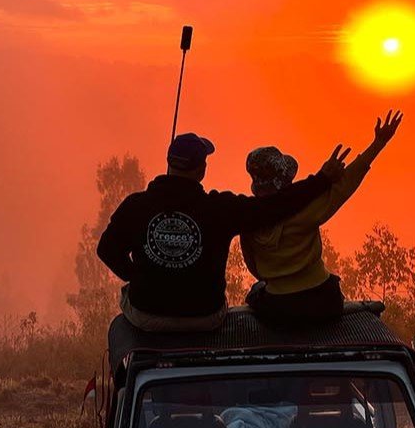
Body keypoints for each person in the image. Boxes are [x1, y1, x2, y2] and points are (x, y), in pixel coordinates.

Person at [97, 132, 350, 334]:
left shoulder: (135, 206)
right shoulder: (220, 209)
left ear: (169, 164)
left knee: (128, 297)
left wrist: (139, 278)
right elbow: (274, 207)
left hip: (146, 316)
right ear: (201, 170)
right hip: (204, 318)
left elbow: (106, 249)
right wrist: (321, 180)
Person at [241, 110, 403, 325]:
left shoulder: (247, 219)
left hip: (277, 308)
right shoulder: (308, 209)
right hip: (322, 301)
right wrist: (378, 143)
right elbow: (346, 183)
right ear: (285, 180)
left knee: (256, 293)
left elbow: (253, 266)